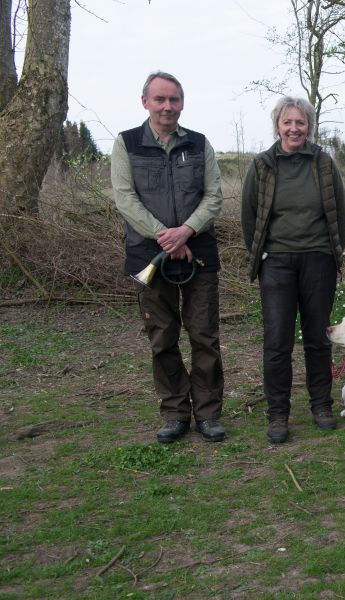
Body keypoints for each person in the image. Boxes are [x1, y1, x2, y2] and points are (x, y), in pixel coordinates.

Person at [111, 71, 226, 444]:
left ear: (182, 103)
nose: (167, 106)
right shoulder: (126, 144)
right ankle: (175, 413)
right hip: (149, 259)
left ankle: (208, 414)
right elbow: (125, 198)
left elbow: (214, 197)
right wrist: (165, 236)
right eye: (159, 99)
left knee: (204, 337)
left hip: (199, 256)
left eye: (174, 99)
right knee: (162, 339)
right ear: (145, 102)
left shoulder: (199, 144)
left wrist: (185, 232)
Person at [241, 96, 345, 444]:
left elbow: (341, 214)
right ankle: (278, 414)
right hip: (277, 263)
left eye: (300, 122)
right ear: (278, 125)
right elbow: (249, 217)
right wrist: (262, 256)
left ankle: (321, 406)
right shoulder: (262, 165)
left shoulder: (322, 163)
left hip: (318, 259)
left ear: (309, 126)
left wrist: (332, 253)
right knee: (277, 343)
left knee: (318, 338)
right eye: (287, 122)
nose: (294, 128)